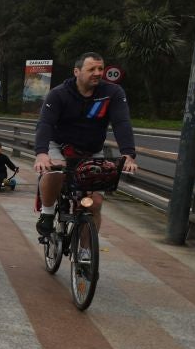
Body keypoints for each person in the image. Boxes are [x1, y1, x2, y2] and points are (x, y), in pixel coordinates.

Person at [32, 51, 138, 237]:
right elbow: (45, 124)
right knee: (56, 171)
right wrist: (41, 154)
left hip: (91, 150)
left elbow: (121, 123)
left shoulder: (112, 93)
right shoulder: (58, 94)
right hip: (59, 145)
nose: (97, 73)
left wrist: (128, 154)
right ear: (77, 72)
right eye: (91, 69)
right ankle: (47, 213)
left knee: (94, 204)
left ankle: (85, 252)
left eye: (100, 69)